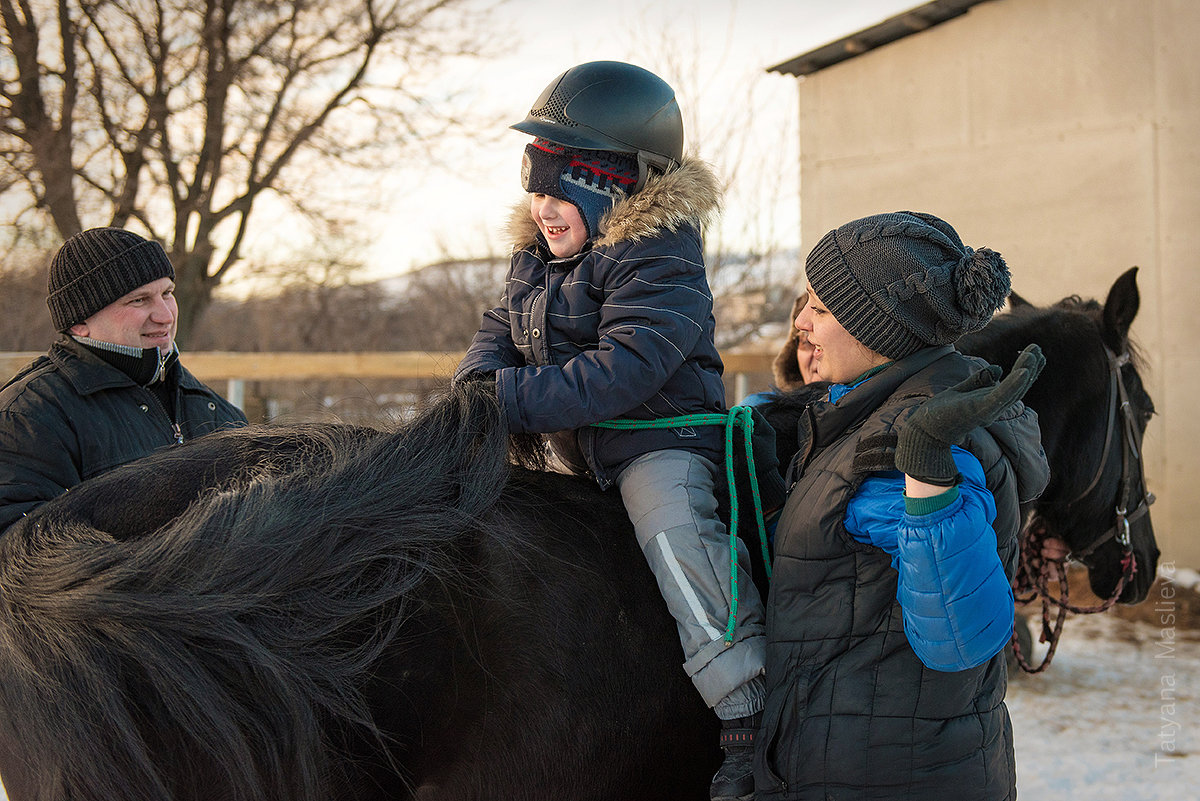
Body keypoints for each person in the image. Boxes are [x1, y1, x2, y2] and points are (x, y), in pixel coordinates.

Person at [453, 61, 771, 800]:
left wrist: (508, 401)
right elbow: (499, 327)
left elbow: (626, 367)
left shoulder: (659, 256)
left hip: (662, 440)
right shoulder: (535, 260)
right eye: (533, 184)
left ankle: (745, 707)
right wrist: (475, 385)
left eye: (561, 186)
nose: (542, 204)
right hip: (584, 449)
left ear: (612, 186)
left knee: (677, 539)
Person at [755, 211, 1051, 800]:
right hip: (862, 762)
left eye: (821, 307)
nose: (801, 323)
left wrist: (930, 475)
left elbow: (963, 638)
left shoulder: (919, 440)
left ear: (878, 330)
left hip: (891, 778)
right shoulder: (859, 414)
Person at [0, 227, 248, 532]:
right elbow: (17, 554)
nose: (165, 315)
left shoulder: (218, 414)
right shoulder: (28, 418)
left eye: (167, 293)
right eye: (139, 300)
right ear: (80, 323)